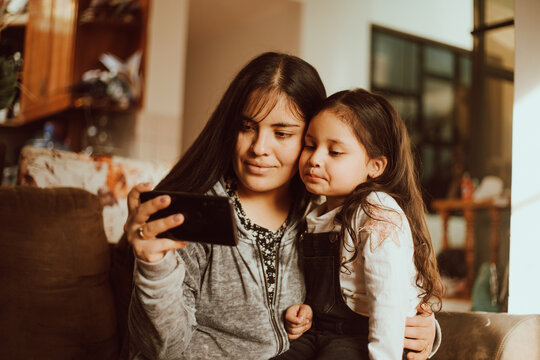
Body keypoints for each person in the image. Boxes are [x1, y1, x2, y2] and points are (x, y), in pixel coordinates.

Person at [124, 52, 440, 359]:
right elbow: (163, 349)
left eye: (282, 133)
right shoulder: (193, 216)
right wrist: (154, 268)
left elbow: (380, 286)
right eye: (247, 127)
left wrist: (423, 329)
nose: (259, 148)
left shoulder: (323, 212)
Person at [277, 89, 443, 360]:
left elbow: (388, 300)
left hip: (368, 334)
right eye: (310, 145)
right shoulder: (314, 213)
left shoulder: (375, 210)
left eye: (335, 151)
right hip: (322, 331)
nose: (315, 159)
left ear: (375, 166)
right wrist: (307, 310)